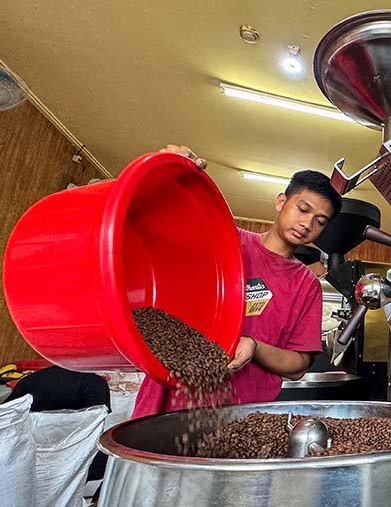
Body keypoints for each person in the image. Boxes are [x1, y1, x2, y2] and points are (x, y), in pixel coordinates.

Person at [131, 145, 341, 418]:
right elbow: (161, 223)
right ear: (281, 202)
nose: (307, 223)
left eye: (320, 221)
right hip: (169, 399)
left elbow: (299, 364)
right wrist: (173, 171)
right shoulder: (225, 241)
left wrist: (255, 347)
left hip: (242, 416)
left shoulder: (306, 285)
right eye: (302, 209)